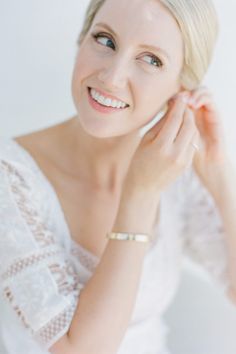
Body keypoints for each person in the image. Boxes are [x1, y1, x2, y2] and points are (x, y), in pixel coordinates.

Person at [0, 0, 235, 353]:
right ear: (82, 39)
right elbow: (80, 349)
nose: (111, 77)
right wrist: (140, 194)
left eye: (151, 59)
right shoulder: (11, 176)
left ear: (182, 89)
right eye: (105, 40)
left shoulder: (176, 173)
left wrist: (219, 177)